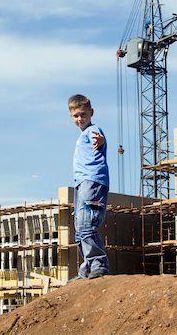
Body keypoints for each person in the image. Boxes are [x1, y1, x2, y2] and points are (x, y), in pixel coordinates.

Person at [68, 94, 109, 280]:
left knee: (87, 224)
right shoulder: (81, 135)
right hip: (81, 183)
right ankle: (86, 269)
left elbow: (98, 137)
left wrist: (99, 140)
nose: (80, 119)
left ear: (91, 113)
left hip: (92, 181)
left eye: (83, 114)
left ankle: (99, 263)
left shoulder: (93, 130)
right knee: (79, 227)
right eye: (76, 116)